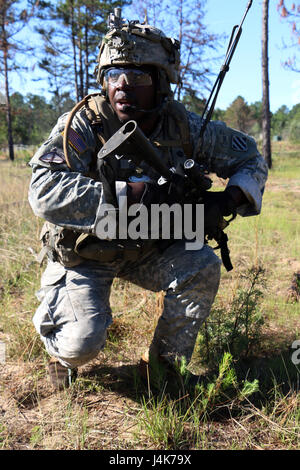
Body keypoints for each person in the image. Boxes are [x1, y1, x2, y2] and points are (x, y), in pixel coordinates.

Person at [28, 9, 268, 390]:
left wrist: (224, 203)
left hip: (150, 248)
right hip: (88, 250)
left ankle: (162, 368)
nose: (121, 85)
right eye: (112, 75)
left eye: (137, 75)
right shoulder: (84, 123)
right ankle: (61, 354)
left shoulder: (184, 126)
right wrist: (127, 197)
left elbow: (250, 158)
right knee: (81, 345)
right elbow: (43, 188)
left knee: (201, 264)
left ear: (160, 82)